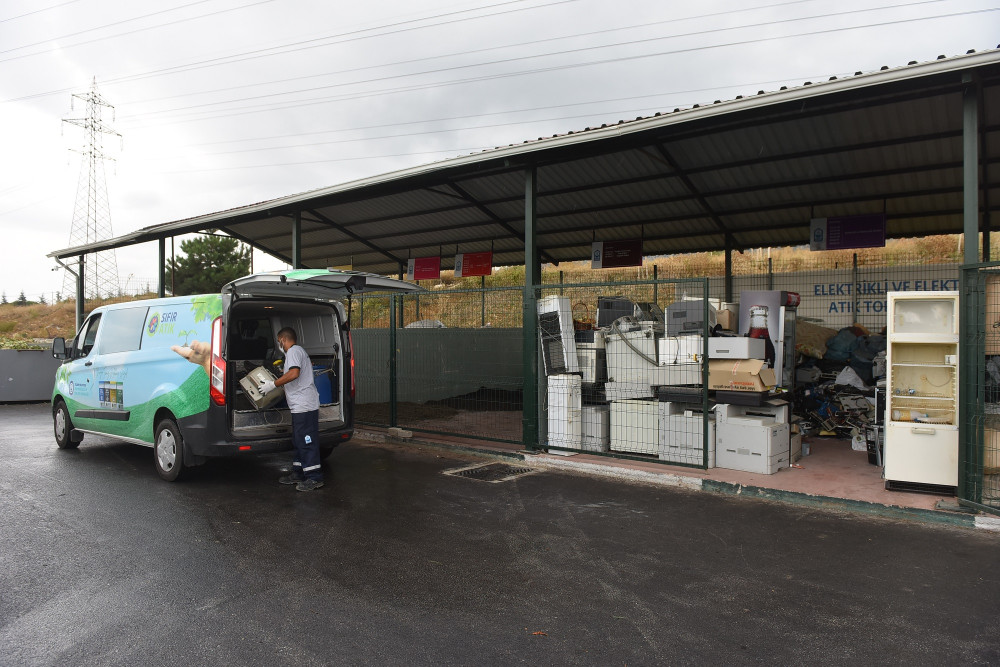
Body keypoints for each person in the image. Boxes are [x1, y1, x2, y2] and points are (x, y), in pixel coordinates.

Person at [259, 327, 323, 491]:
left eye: (279, 340)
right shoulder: (295, 353)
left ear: (282, 339)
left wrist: (272, 384)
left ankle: (314, 477)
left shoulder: (294, 351)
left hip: (304, 405)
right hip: (299, 405)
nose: (279, 343)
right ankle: (298, 473)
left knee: (306, 441)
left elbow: (294, 373)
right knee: (299, 440)